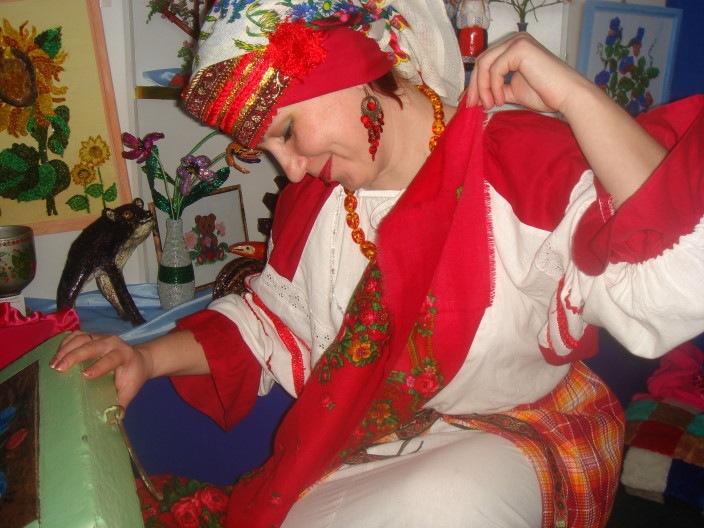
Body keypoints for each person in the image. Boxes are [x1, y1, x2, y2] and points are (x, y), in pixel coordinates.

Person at [50, 1, 704, 527]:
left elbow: (674, 272)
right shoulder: (314, 206)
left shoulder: (515, 162)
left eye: (286, 131)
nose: (291, 170)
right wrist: (144, 359)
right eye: (268, 149)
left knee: (447, 504)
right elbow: (271, 324)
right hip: (371, 442)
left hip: (521, 432)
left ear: (351, 69)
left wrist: (575, 96)